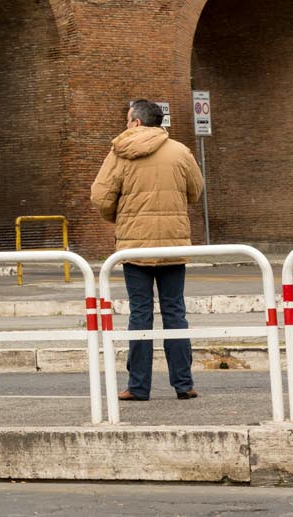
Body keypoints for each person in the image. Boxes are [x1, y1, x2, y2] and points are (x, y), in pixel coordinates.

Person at [90, 99, 205, 402]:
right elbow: (196, 191)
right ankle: (183, 384)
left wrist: (122, 217)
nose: (126, 126)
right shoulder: (181, 152)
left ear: (137, 123)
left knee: (140, 314)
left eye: (128, 121)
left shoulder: (120, 154)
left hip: (134, 245)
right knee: (175, 312)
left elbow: (100, 196)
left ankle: (138, 387)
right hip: (172, 244)